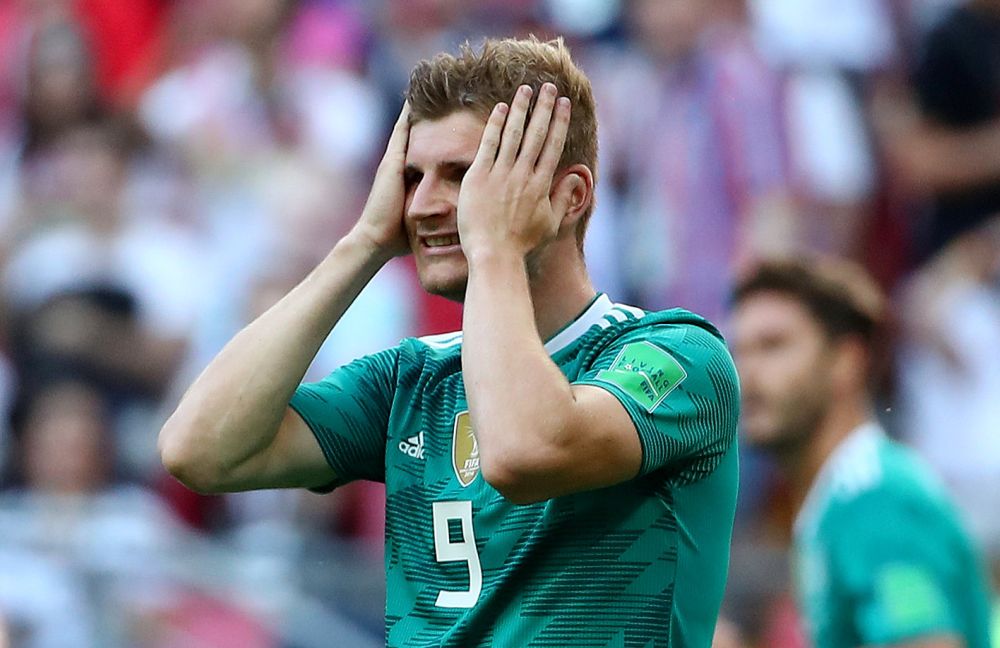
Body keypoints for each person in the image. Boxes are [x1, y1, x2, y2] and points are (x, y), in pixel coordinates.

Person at [160, 36, 740, 646]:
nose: (425, 204)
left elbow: (524, 451)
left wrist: (494, 245)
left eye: (465, 176)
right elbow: (198, 450)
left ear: (571, 197)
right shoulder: (409, 380)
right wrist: (362, 242)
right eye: (413, 177)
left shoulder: (677, 356)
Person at [730, 256, 993, 648]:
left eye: (774, 346)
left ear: (846, 361)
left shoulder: (874, 498)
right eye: (739, 350)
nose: (746, 372)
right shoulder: (838, 501)